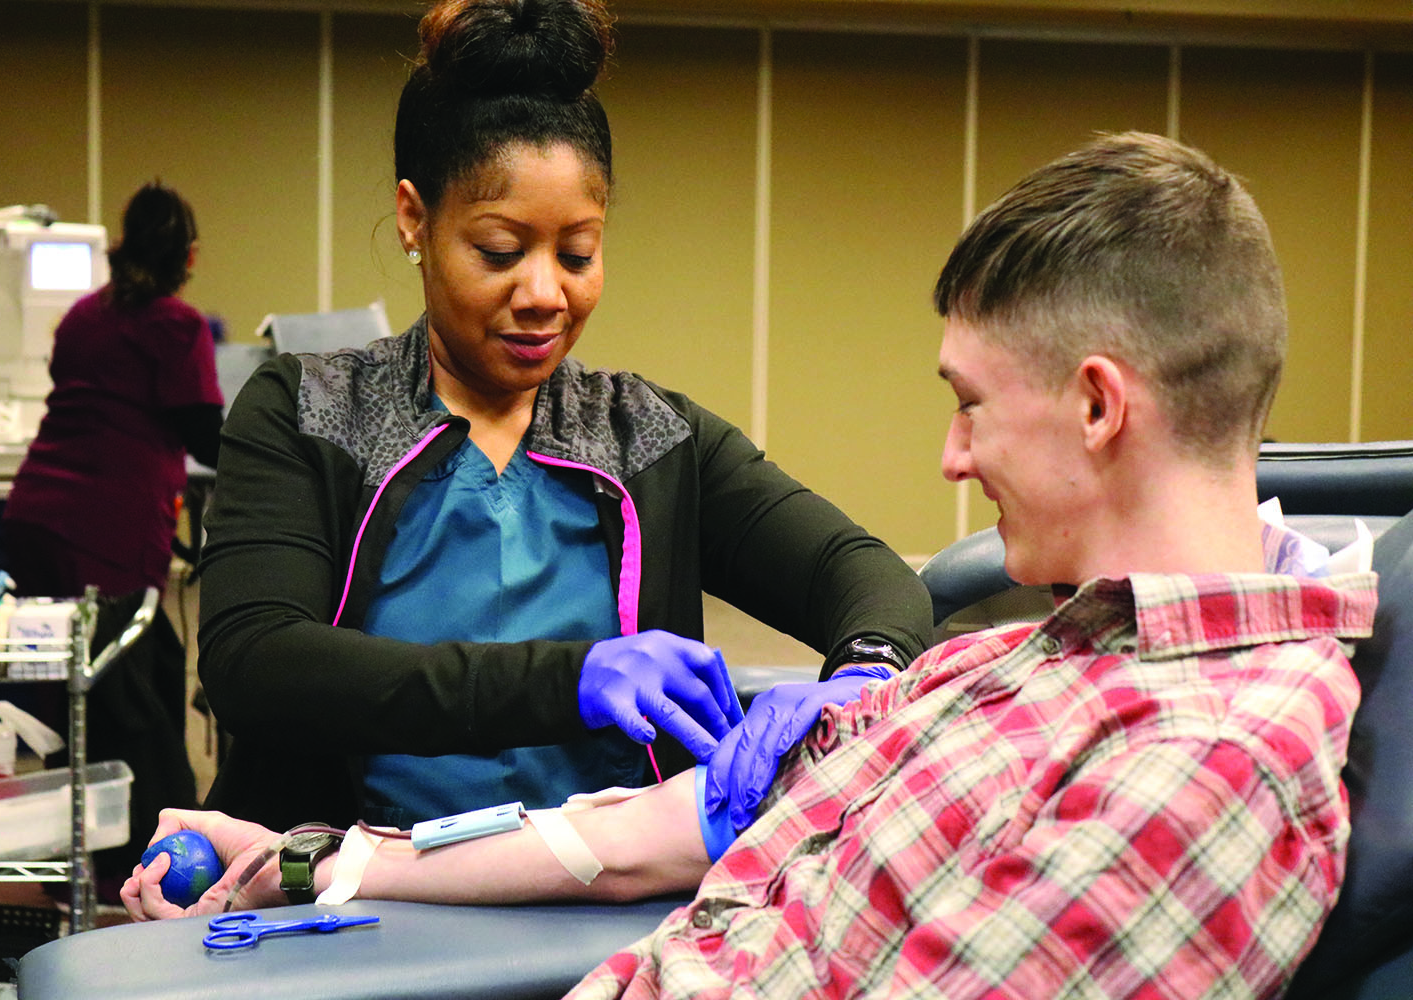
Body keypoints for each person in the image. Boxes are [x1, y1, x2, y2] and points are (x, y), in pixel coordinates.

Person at [126, 132, 1378, 1000]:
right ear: (416, 222)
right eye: (500, 247)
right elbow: (630, 838)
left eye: (969, 406)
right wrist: (305, 858)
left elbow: (852, 581)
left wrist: (868, 662)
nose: (949, 460)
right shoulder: (1023, 655)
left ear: (1100, 408)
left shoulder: (1199, 769)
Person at [195, 0, 931, 837]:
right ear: (414, 219)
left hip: (600, 907)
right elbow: (257, 660)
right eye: (500, 252)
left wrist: (861, 679)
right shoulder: (312, 411)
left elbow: (868, 576)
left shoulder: (646, 437)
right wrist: (570, 681)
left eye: (578, 253)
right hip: (356, 905)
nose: (546, 294)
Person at [2, 180, 223, 599]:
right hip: (108, 530)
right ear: (189, 255)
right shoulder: (177, 325)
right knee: (117, 658)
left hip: (32, 516)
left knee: (53, 656)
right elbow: (206, 439)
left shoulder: (81, 316)